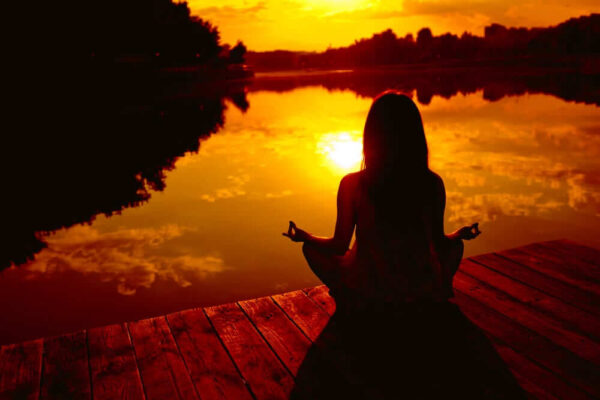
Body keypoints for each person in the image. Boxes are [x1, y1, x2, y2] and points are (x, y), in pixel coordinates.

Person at [283, 90, 481, 312]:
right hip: (419, 288)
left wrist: (306, 237)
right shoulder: (432, 183)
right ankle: (433, 291)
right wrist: (458, 236)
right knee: (456, 247)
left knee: (311, 249)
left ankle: (350, 296)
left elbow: (339, 246)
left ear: (372, 136)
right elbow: (438, 242)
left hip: (369, 289)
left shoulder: (353, 184)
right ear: (415, 135)